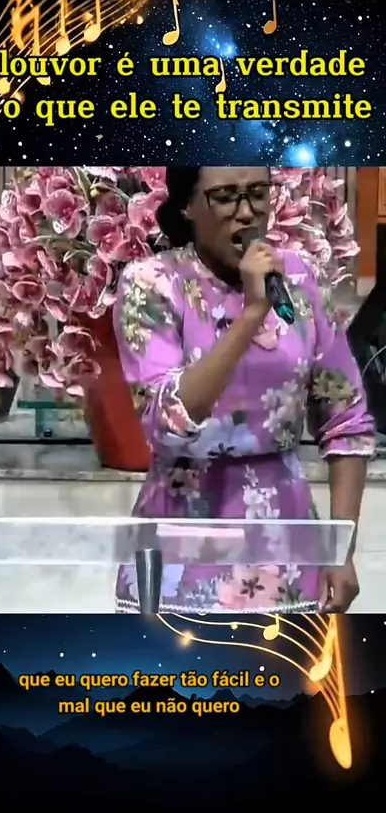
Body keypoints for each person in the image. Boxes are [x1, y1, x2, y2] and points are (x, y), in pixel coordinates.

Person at [112, 167, 376, 615]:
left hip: (286, 548)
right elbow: (167, 421)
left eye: (257, 193)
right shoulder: (152, 283)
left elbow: (347, 421)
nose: (247, 211)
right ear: (187, 205)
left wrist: (340, 549)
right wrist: (252, 313)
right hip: (178, 549)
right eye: (225, 196)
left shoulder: (299, 278)